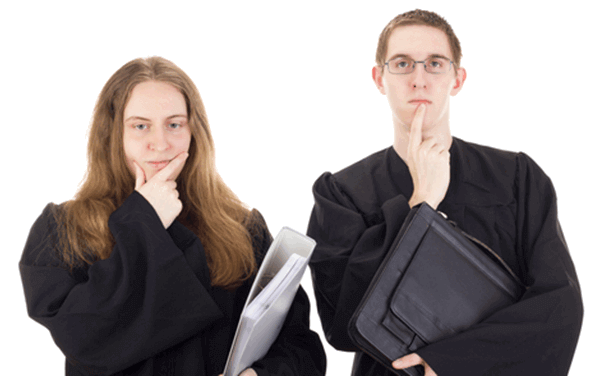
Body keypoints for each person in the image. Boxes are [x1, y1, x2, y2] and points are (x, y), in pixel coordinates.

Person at [307, 9, 583, 376]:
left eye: (435, 63)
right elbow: (343, 324)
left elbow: (559, 304)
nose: (419, 79)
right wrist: (420, 203)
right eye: (402, 63)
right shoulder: (342, 194)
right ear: (379, 78)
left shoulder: (516, 178)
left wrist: (452, 362)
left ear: (457, 78)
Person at [19, 56, 326, 376]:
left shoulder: (241, 229)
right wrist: (143, 219)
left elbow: (299, 347)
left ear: (194, 132)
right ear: (112, 133)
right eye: (140, 126)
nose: (160, 143)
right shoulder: (65, 230)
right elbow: (85, 339)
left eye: (174, 124)